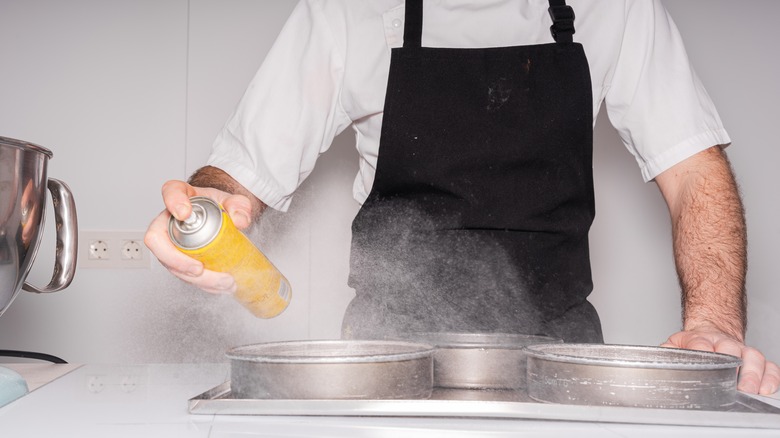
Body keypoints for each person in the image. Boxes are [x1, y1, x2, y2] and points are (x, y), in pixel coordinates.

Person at [145, 0, 779, 394]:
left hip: (560, 362)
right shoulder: (344, 9)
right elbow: (237, 178)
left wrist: (713, 326)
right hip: (387, 363)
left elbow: (695, 170)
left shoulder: (619, 7)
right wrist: (206, 209)